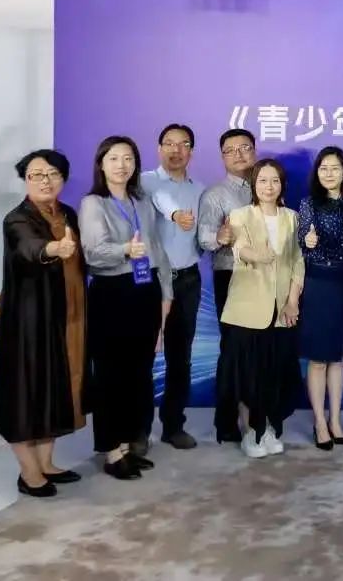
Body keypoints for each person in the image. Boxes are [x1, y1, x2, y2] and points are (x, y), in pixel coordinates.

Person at [78, 135, 172, 480]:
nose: (122, 165)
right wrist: (125, 251)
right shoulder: (94, 203)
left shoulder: (141, 201)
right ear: (101, 164)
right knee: (110, 375)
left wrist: (166, 294)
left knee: (138, 373)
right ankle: (111, 450)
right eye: (114, 158)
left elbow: (156, 248)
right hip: (112, 294)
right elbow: (93, 254)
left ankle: (130, 443)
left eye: (128, 158)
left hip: (145, 290)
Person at [0, 149, 87, 498]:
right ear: (25, 180)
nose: (45, 181)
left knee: (54, 387)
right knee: (24, 393)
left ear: (63, 179)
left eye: (53, 174)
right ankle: (29, 472)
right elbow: (28, 247)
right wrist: (53, 249)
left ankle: (47, 463)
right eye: (36, 175)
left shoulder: (68, 214)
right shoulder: (17, 219)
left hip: (66, 315)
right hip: (28, 321)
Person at [220, 158, 305, 459]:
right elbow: (239, 247)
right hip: (246, 310)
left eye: (275, 180)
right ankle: (248, 431)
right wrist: (257, 255)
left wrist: (292, 301)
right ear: (254, 185)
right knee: (247, 374)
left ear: (282, 185)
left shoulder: (292, 218)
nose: (269, 187)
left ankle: (267, 427)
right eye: (263, 181)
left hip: (281, 312)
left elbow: (298, 262)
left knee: (274, 373)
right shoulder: (240, 215)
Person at [140, 123, 204, 450]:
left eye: (183, 144)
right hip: (150, 281)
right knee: (142, 357)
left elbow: (204, 234)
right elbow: (160, 200)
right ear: (159, 148)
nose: (176, 150)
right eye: (169, 143)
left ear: (191, 151)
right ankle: (138, 431)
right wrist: (176, 214)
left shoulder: (200, 190)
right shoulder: (143, 182)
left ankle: (173, 425)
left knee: (181, 357)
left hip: (188, 280)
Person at [296, 146, 343, 451]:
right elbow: (300, 243)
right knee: (318, 359)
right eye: (323, 168)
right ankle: (319, 422)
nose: (329, 173)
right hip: (318, 285)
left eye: (335, 168)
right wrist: (306, 241)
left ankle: (335, 420)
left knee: (338, 358)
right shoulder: (309, 204)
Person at [197, 129, 256, 444]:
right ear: (222, 157)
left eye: (245, 147)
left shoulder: (267, 185)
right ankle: (227, 421)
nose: (239, 154)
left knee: (256, 350)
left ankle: (255, 415)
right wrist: (219, 237)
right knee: (233, 350)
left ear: (254, 151)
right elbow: (204, 239)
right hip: (231, 276)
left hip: (264, 278)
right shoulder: (215, 194)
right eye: (230, 150)